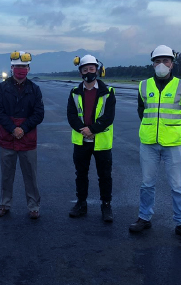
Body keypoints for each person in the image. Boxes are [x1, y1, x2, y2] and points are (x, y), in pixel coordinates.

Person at [128, 45, 181, 242]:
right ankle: (144, 218)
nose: (162, 65)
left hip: (173, 143)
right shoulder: (143, 85)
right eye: (157, 61)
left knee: (177, 185)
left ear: (172, 64)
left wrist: (175, 130)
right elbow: (142, 111)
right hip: (149, 142)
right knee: (146, 184)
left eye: (166, 61)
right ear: (152, 64)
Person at [0, 51, 45, 219]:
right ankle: (4, 204)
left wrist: (23, 128)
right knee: (7, 175)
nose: (21, 70)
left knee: (30, 175)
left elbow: (39, 113)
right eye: (18, 67)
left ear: (28, 69)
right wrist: (12, 129)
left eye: (24, 67)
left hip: (27, 139)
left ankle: (34, 207)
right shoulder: (2, 88)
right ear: (12, 68)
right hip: (7, 138)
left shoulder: (34, 89)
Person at [67, 55, 116, 222]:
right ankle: (81, 203)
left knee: (105, 176)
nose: (89, 72)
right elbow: (71, 115)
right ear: (80, 72)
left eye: (92, 69)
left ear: (97, 70)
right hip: (81, 141)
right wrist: (84, 130)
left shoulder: (108, 92)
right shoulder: (74, 92)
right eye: (85, 69)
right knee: (81, 174)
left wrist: (93, 129)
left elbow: (109, 116)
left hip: (101, 141)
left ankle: (106, 205)